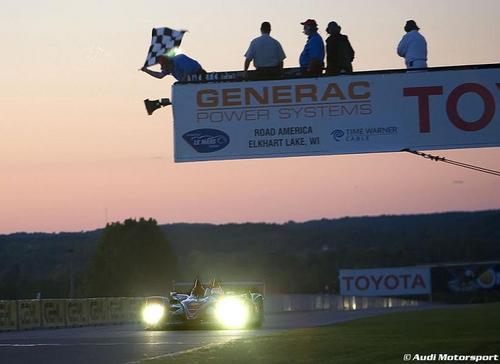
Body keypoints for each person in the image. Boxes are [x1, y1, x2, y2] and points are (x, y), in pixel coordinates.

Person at [141, 54, 206, 81]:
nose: (163, 68)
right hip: (190, 83)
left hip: (200, 77)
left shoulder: (179, 58)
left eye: (163, 65)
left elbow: (188, 70)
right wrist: (146, 70)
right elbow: (160, 75)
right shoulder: (169, 67)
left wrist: (182, 81)